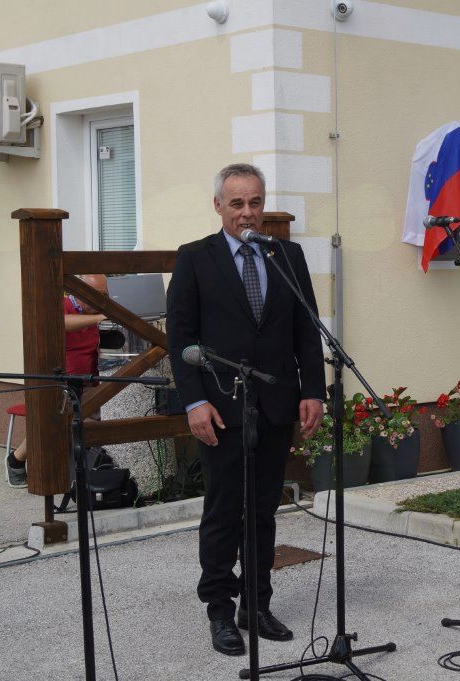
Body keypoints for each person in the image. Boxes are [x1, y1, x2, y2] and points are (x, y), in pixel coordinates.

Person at [167, 163, 326, 657]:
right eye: (236, 203)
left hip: (275, 403)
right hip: (219, 405)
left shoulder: (286, 255)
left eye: (255, 202)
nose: (247, 213)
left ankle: (256, 605)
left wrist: (313, 390)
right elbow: (180, 338)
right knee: (223, 511)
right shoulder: (195, 258)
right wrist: (194, 401)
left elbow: (306, 327)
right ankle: (220, 609)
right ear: (218, 206)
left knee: (263, 510)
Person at [4, 274, 108, 488]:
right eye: (97, 295)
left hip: (89, 380)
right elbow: (61, 322)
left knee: (98, 419)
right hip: (61, 383)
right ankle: (16, 460)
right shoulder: (62, 305)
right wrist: (99, 318)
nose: (101, 301)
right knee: (53, 425)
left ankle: (94, 470)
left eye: (104, 295)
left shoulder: (95, 310)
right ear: (79, 292)